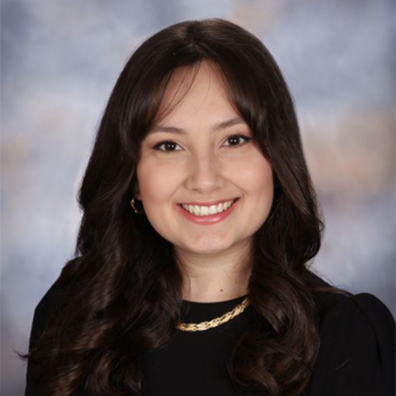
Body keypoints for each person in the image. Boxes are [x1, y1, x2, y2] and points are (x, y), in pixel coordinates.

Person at [23, 18, 396, 396]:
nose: (204, 179)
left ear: (276, 161)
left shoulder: (347, 336)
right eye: (169, 145)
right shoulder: (72, 320)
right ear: (132, 176)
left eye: (234, 140)